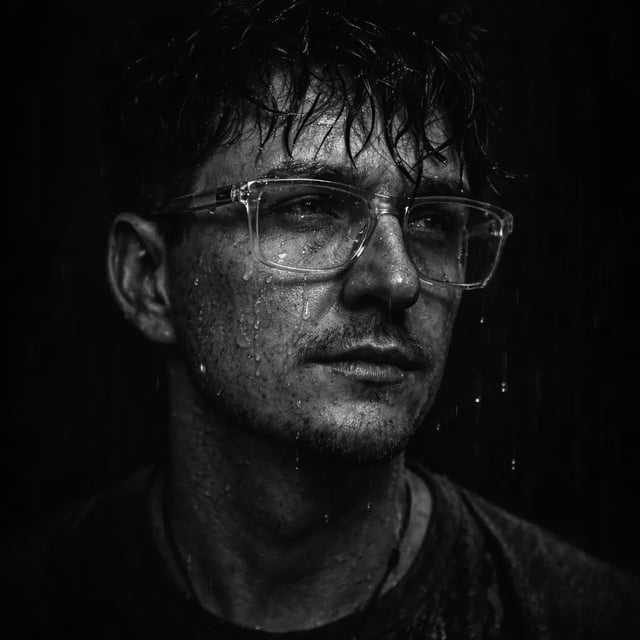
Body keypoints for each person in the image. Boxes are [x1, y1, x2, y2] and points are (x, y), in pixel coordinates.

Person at [17, 1, 638, 638]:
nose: (397, 279)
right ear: (149, 278)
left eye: (431, 219)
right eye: (309, 206)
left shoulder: (588, 620)